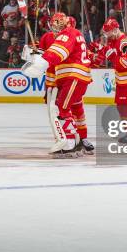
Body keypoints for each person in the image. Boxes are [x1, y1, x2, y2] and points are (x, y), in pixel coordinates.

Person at [22, 12, 94, 157]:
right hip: (72, 77)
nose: (54, 26)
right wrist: (35, 54)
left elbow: (57, 52)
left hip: (73, 76)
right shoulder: (71, 33)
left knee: (61, 108)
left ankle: (70, 143)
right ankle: (76, 141)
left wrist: (40, 63)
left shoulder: (68, 33)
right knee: (69, 108)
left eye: (56, 22)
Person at [92, 18, 127, 143]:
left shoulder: (125, 42)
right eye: (105, 32)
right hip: (122, 81)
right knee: (121, 107)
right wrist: (99, 48)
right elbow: (107, 53)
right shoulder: (113, 40)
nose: (106, 35)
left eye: (108, 32)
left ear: (115, 29)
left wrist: (112, 57)